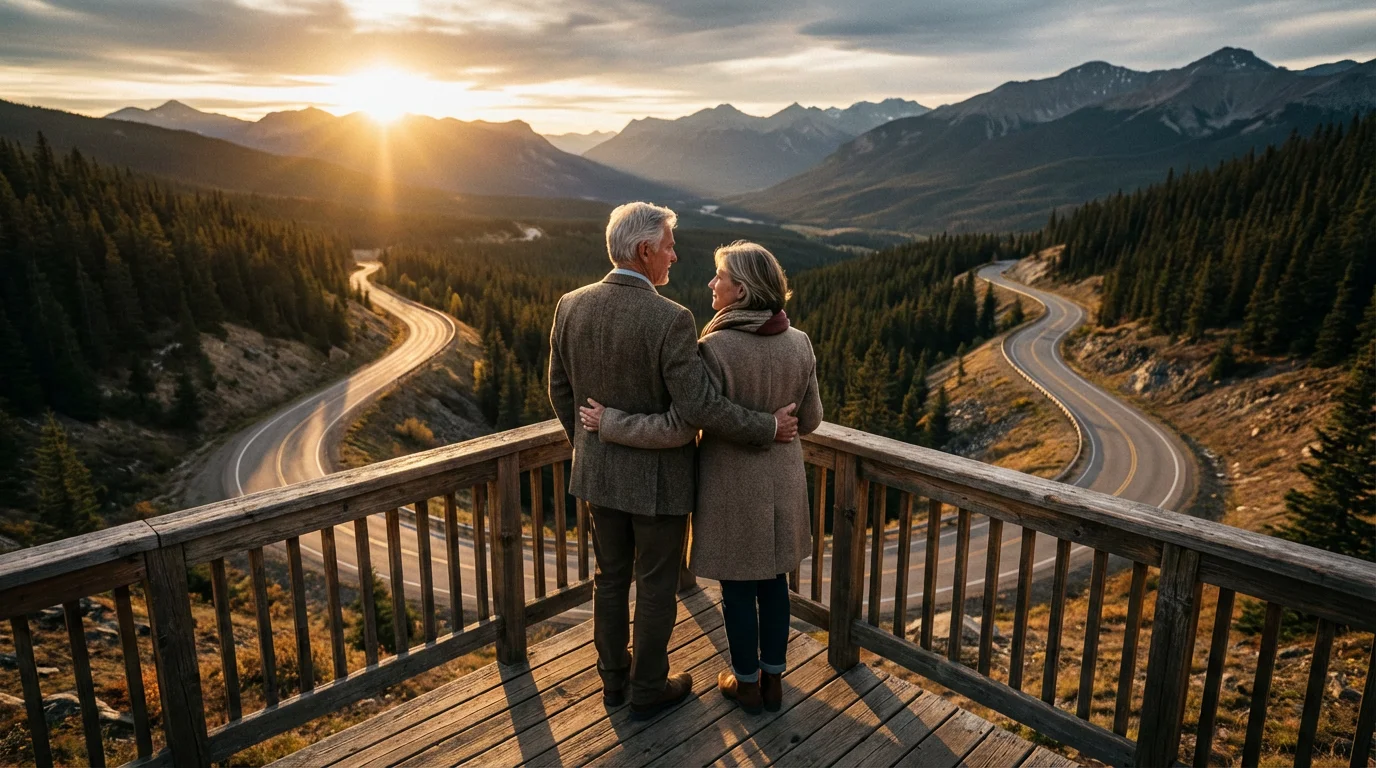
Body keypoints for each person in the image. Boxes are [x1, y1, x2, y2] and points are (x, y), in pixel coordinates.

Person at [547, 203, 800, 721]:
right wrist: (768, 427)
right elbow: (698, 411)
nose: (674, 255)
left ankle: (613, 684)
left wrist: (591, 445)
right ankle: (649, 688)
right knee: (657, 586)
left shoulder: (569, 305)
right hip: (659, 484)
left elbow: (560, 389)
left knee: (611, 580)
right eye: (667, 246)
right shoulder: (672, 319)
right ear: (644, 252)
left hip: (596, 477)